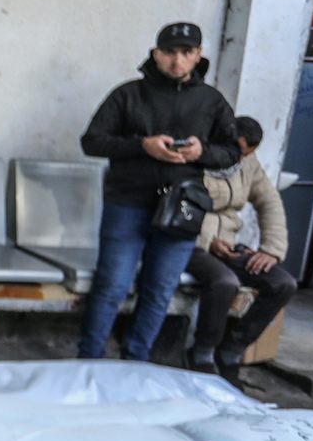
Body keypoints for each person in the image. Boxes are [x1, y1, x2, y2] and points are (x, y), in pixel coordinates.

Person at [78, 20, 239, 363]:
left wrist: (202, 152)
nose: (176, 61)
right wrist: (142, 145)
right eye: (169, 52)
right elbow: (91, 141)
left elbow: (232, 152)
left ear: (198, 56)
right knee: (112, 286)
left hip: (183, 207)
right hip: (128, 203)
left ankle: (135, 362)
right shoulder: (128, 94)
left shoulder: (211, 101)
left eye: (185, 52)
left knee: (160, 290)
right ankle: (89, 361)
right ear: (156, 53)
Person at [185, 115, 295, 380]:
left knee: (283, 284)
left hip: (229, 245)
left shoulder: (247, 163)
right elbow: (176, 202)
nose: (240, 158)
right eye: (238, 151)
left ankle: (232, 349)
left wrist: (271, 249)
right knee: (225, 282)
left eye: (247, 154)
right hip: (189, 242)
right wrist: (208, 241)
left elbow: (269, 201)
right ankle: (202, 352)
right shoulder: (194, 155)